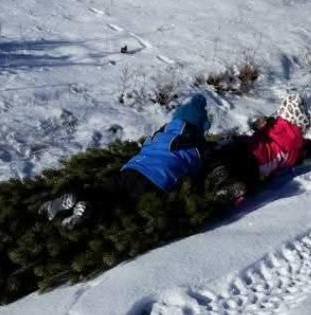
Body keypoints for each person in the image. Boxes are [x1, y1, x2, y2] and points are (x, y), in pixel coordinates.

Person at [40, 94, 213, 228]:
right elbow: (201, 169)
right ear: (200, 126)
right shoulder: (198, 146)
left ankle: (76, 196)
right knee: (122, 207)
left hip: (131, 169)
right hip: (155, 181)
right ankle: (90, 212)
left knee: (103, 190)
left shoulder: (160, 134)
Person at [205, 93, 311, 203]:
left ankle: (219, 170)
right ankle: (231, 187)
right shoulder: (294, 144)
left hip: (249, 146)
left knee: (229, 154)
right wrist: (302, 157)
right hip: (259, 162)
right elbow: (291, 159)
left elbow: (262, 131)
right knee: (247, 175)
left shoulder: (276, 123)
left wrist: (251, 131)